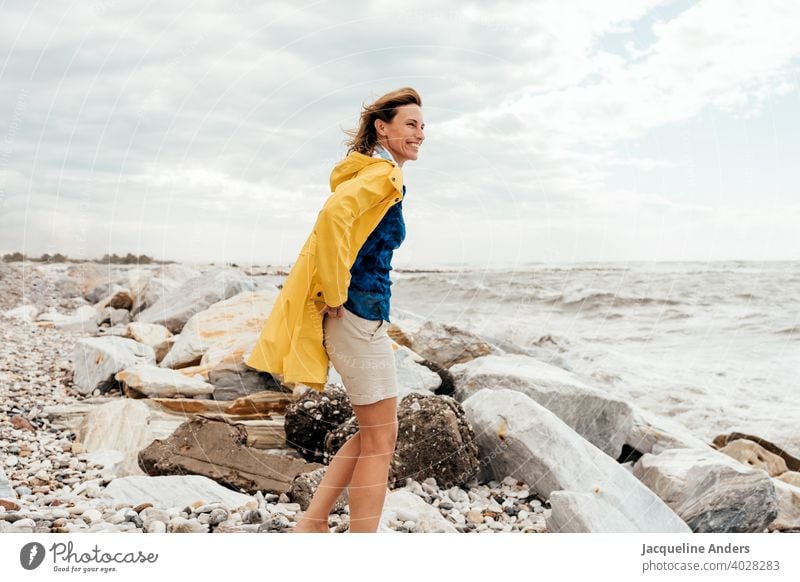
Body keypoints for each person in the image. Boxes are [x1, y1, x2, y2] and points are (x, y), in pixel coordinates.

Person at [246, 87, 425, 533]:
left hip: (363, 318)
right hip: (358, 319)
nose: (420, 133)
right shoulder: (384, 175)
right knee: (382, 439)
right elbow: (332, 219)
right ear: (382, 128)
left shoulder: (376, 172)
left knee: (372, 434)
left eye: (422, 126)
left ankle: (312, 523)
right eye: (411, 124)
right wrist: (336, 290)